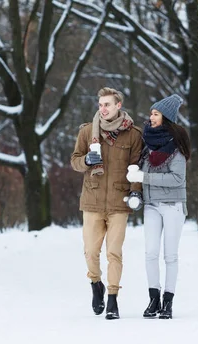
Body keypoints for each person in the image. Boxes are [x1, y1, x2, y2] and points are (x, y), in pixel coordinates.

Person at [71, 87, 143, 320]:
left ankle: (112, 298)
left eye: (107, 104)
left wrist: (135, 193)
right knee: (91, 252)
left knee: (114, 252)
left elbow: (136, 169)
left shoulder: (133, 135)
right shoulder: (86, 132)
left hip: (118, 203)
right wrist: (85, 161)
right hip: (92, 201)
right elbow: (74, 161)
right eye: (100, 104)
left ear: (118, 106)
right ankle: (96, 284)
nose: (102, 109)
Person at [125, 94, 190, 320]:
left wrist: (144, 177)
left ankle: (168, 302)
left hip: (173, 206)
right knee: (150, 253)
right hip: (152, 205)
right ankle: (153, 298)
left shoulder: (176, 148)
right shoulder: (148, 143)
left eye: (155, 114)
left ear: (166, 118)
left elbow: (177, 179)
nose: (151, 117)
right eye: (151, 113)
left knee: (170, 255)